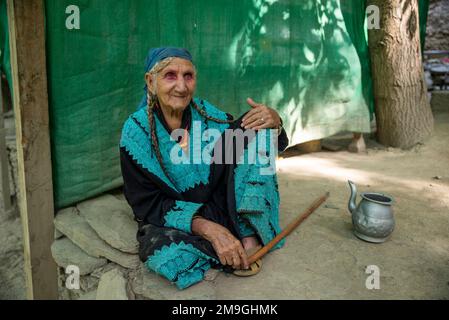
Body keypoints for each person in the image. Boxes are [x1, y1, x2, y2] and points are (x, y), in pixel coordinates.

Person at [120, 47, 289, 289]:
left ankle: (247, 232)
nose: (181, 86)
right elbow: (146, 203)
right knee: (166, 256)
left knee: (257, 127)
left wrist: (273, 120)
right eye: (170, 75)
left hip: (218, 200)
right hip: (176, 212)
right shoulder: (136, 132)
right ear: (150, 81)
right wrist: (206, 228)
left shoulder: (203, 112)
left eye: (188, 76)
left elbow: (237, 133)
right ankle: (225, 240)